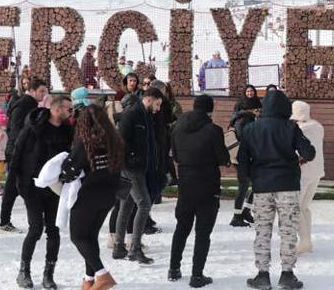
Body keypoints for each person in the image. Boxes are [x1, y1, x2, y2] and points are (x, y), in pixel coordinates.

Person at [239, 90, 316, 290]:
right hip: (288, 185)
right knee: (288, 230)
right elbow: (309, 152)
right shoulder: (291, 127)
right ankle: (287, 274)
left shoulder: (250, 129)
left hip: (262, 186)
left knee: (262, 230)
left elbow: (242, 161)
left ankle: (262, 275)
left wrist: (251, 176)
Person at [10, 95, 73, 289]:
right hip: (32, 186)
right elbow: (17, 154)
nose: (71, 113)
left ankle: (48, 274)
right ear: (56, 110)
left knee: (53, 230)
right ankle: (24, 271)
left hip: (55, 187)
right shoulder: (33, 128)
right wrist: (16, 183)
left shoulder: (67, 131)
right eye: (68, 109)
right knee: (35, 228)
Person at [168, 95, 230, 288]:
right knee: (203, 232)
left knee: (182, 228)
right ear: (210, 110)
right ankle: (197, 275)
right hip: (207, 183)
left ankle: (173, 269)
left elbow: (175, 156)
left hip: (186, 182)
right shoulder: (214, 130)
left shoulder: (177, 127)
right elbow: (222, 157)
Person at [61, 105, 124, 289]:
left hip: (88, 196)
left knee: (78, 237)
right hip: (109, 195)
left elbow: (70, 170)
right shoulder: (115, 140)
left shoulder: (85, 142)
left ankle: (103, 275)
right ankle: (89, 278)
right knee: (90, 236)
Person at [113, 87, 163, 264]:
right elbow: (120, 141)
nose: (158, 109)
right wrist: (129, 160)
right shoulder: (132, 114)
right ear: (149, 99)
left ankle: (119, 246)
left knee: (126, 205)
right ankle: (134, 248)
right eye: (157, 104)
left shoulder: (146, 115)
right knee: (144, 204)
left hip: (140, 167)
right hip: (131, 168)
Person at [0, 78, 49, 233]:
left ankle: (33, 218)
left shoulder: (30, 104)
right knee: (16, 187)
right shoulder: (24, 105)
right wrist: (20, 150)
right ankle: (5, 221)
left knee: (17, 187)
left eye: (45, 91)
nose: (44, 94)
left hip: (22, 150)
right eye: (41, 91)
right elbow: (15, 129)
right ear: (32, 91)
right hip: (17, 151)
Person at [290, 100, 324, 255]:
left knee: (295, 207)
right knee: (304, 207)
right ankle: (307, 240)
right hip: (317, 171)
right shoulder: (318, 126)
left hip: (303, 171)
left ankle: (304, 240)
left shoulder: (300, 129)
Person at [229, 84, 263, 227]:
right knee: (243, 184)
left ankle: (246, 211)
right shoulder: (242, 116)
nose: (249, 93)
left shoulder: (259, 109)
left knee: (256, 183)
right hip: (243, 155)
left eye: (251, 91)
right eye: (247, 91)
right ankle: (236, 216)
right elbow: (242, 135)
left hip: (252, 154)